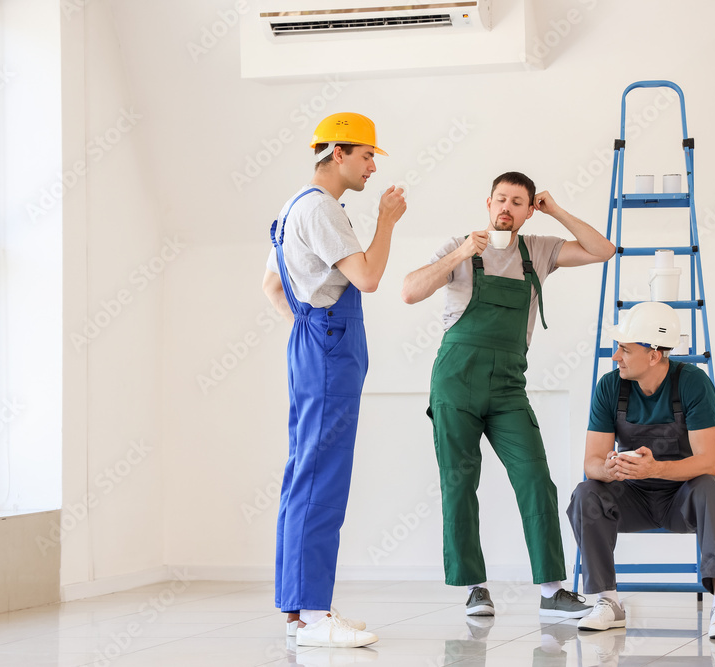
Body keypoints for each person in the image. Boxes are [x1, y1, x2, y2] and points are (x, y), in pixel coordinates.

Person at [400, 171, 615, 619]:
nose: (507, 208)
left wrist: (556, 211)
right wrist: (461, 252)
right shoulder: (462, 246)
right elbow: (409, 291)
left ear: (528, 209)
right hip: (456, 380)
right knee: (459, 482)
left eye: (519, 202)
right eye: (501, 199)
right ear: (488, 202)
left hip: (508, 386)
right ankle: (475, 587)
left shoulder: (538, 249)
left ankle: (552, 589)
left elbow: (603, 250)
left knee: (535, 477)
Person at [262, 112, 406, 648]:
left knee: (306, 471)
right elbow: (367, 277)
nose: (372, 165)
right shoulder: (322, 209)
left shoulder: (292, 207)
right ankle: (316, 616)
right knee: (322, 477)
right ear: (338, 154)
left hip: (312, 340)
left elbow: (273, 286)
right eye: (367, 154)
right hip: (329, 343)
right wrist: (387, 220)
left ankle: (301, 610)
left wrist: (309, 328)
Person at [566, 301, 715, 640]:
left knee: (713, 491)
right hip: (631, 498)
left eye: (625, 350)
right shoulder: (610, 386)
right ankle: (607, 601)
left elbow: (708, 462)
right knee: (586, 492)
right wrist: (611, 469)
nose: (616, 357)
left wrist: (655, 468)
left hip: (681, 499)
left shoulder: (693, 383)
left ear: (654, 355)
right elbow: (591, 462)